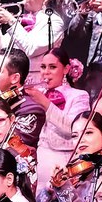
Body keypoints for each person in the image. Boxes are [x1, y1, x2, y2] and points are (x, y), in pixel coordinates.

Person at [24, 47, 91, 193]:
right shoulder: (37, 93)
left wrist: (45, 104)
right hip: (38, 158)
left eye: (52, 67)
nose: (46, 72)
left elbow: (73, 128)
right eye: (43, 67)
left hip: (63, 160)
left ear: (66, 69)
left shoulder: (79, 95)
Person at [0, 0, 65, 90]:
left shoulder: (54, 21)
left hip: (36, 85)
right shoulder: (23, 20)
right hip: (11, 83)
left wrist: (11, 21)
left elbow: (31, 49)